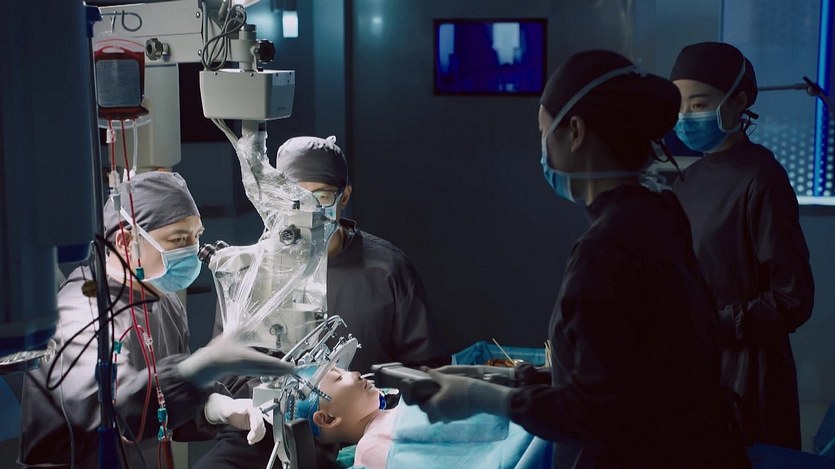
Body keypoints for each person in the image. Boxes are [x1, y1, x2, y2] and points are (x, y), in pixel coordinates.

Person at [417, 50, 750, 468]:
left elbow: (598, 413)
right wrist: (505, 378)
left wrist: (482, 397)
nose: (543, 150)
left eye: (545, 133)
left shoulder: (607, 249)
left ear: (575, 132)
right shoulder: (660, 214)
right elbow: (627, 372)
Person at [195, 135, 448, 468]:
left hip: (362, 436)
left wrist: (369, 409)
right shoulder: (252, 271)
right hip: (266, 433)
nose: (306, 209)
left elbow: (427, 370)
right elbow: (227, 369)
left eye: (321, 196)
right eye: (293, 198)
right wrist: (276, 405)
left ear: (345, 196)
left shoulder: (387, 269)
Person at [18, 171, 295, 468]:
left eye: (197, 236)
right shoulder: (80, 315)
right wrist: (202, 367)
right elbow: (121, 409)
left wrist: (216, 406)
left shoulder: (163, 298)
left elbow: (163, 407)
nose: (193, 249)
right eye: (179, 239)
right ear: (125, 241)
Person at [669, 41, 815, 449]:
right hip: (697, 366)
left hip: (750, 376)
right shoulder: (687, 180)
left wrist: (716, 323)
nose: (686, 117)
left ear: (739, 101)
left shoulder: (762, 179)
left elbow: (793, 298)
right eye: (679, 106)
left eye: (700, 104)